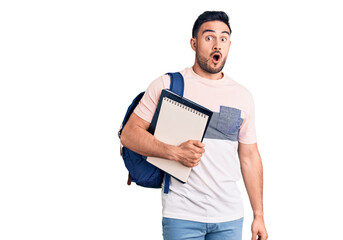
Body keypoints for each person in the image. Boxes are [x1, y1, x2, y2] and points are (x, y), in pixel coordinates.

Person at [120, 11, 268, 240]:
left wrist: (258, 214)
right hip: (182, 216)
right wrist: (175, 152)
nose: (217, 44)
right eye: (209, 37)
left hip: (229, 217)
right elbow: (129, 135)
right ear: (194, 43)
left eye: (223, 38)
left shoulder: (242, 96)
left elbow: (249, 157)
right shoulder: (167, 85)